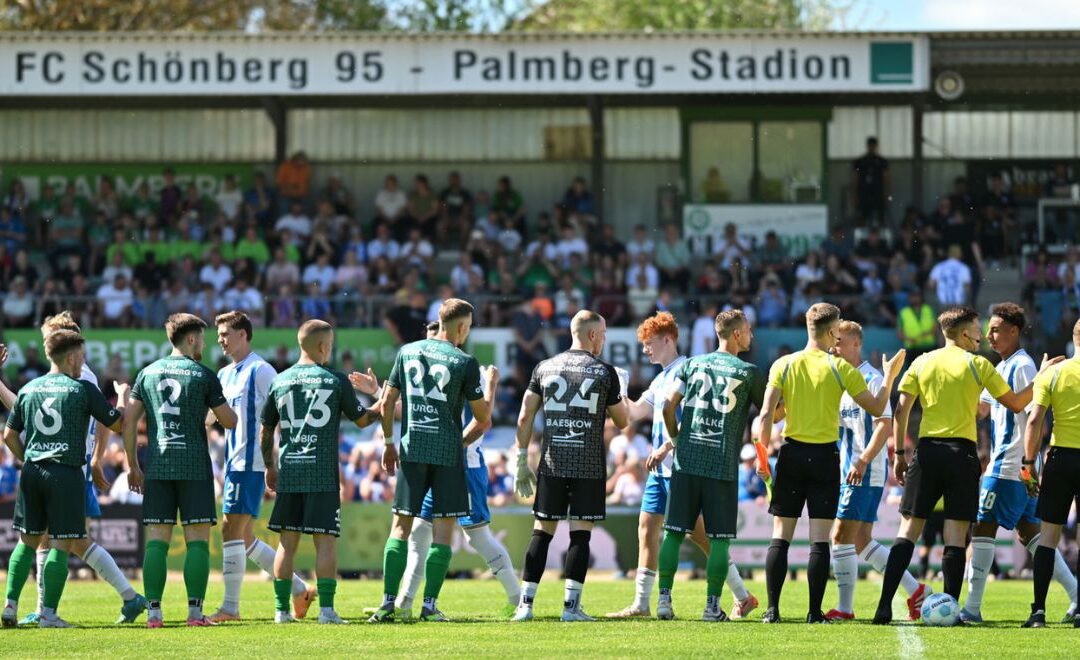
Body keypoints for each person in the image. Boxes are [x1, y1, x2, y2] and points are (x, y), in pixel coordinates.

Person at [873, 306, 1057, 625]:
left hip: (927, 452)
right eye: (975, 329)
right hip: (961, 454)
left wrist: (900, 454)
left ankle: (883, 607)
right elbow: (1016, 403)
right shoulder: (978, 365)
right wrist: (1041, 378)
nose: (980, 336)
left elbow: (901, 409)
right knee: (955, 537)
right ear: (961, 333)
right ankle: (951, 609)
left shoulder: (922, 362)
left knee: (908, 533)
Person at [753, 302, 904, 623]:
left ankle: (772, 610)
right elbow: (879, 408)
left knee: (780, 536)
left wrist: (762, 454)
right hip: (824, 458)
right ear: (832, 330)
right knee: (820, 540)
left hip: (790, 453)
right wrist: (889, 377)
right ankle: (813, 612)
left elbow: (766, 414)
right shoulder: (841, 368)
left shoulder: (785, 363)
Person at [606, 312, 758, 620]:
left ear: (668, 339)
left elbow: (695, 420)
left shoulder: (689, 369)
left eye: (649, 344)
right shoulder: (660, 379)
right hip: (660, 470)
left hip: (684, 466)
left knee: (699, 536)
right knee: (647, 528)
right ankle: (642, 602)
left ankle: (742, 596)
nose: (645, 350)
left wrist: (665, 446)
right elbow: (633, 413)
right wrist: (619, 389)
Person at [0, 312, 147, 626]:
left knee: (44, 540)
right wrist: (123, 400)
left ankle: (15, 608)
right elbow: (115, 421)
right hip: (67, 470)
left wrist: (92, 458)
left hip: (42, 470)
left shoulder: (39, 384)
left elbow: (11, 429)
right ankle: (49, 612)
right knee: (65, 541)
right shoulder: (80, 385)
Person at [382, 321, 518, 619]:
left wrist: (452, 444)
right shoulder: (426, 363)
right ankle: (405, 604)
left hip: (465, 464)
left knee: (476, 536)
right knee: (418, 533)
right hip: (436, 461)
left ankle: (516, 596)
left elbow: (482, 421)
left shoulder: (468, 369)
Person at [370, 299, 492, 623]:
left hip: (411, 449)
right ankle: (429, 606)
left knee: (400, 527)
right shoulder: (465, 362)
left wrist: (387, 443)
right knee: (442, 532)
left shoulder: (407, 351)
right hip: (446, 455)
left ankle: (386, 605)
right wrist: (460, 441)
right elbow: (483, 418)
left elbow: (386, 402)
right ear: (462, 327)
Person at [959, 303, 1077, 623]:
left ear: (1014, 331)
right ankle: (1077, 595)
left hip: (1011, 464)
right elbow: (981, 410)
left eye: (996, 329)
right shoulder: (999, 367)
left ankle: (971, 607)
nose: (989, 335)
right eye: (989, 329)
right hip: (1020, 466)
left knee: (983, 525)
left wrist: (1025, 464)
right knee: (1032, 534)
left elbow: (1033, 417)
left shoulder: (1023, 365)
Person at [510, 310, 629, 622]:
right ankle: (570, 608)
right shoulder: (605, 372)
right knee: (580, 536)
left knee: (542, 533)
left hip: (552, 463)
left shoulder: (544, 367)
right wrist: (623, 392)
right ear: (591, 335)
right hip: (587, 465)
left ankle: (525, 605)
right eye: (602, 333)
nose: (604, 339)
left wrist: (522, 459)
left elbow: (524, 417)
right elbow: (623, 421)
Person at [261, 319, 381, 624]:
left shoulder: (280, 380)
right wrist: (384, 401)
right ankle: (327, 611)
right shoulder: (335, 380)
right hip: (322, 472)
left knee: (286, 545)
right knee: (325, 542)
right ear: (322, 346)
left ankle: (280, 612)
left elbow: (266, 430)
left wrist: (269, 466)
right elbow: (364, 421)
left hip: (290, 470)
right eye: (331, 344)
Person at [122, 313, 239, 628]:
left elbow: (129, 420)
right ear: (191, 339)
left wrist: (132, 465)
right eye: (201, 337)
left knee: (156, 541)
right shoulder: (203, 374)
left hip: (158, 466)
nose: (204, 343)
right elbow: (229, 421)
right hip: (194, 465)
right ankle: (194, 613)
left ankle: (155, 614)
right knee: (197, 541)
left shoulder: (147, 373)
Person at [653, 310, 764, 622]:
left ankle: (664, 602)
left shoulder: (693, 364)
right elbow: (772, 413)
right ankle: (712, 607)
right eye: (749, 330)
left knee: (673, 533)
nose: (752, 336)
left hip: (686, 460)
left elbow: (668, 405)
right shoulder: (748, 371)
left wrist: (676, 439)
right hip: (721, 464)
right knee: (718, 540)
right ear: (737, 334)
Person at [207, 311, 317, 623]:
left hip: (251, 461)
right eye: (219, 335)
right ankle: (299, 588)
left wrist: (275, 461)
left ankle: (230, 607)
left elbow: (284, 413)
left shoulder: (261, 370)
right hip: (232, 461)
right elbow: (213, 417)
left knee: (231, 527)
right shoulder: (225, 374)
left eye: (226, 333)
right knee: (242, 535)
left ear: (243, 334)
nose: (221, 340)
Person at [825, 321, 929, 622]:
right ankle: (915, 590)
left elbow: (885, 425)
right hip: (852, 469)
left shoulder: (871, 379)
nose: (834, 346)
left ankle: (844, 608)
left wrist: (863, 460)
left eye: (840, 341)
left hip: (864, 470)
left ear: (856, 344)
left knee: (840, 536)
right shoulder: (842, 379)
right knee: (861, 541)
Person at [1022, 318, 1080, 628]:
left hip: (1060, 458)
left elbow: (1034, 421)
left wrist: (1028, 464)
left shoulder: (1054, 373)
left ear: (1074, 340)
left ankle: (1038, 612)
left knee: (1048, 538)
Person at [850, 136, 891, 226]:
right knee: (861, 217)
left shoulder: (882, 161)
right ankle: (861, 237)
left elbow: (886, 178)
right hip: (863, 193)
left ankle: (879, 237)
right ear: (867, 146)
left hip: (878, 193)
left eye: (873, 145)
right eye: (870, 145)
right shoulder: (860, 161)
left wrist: (887, 194)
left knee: (880, 217)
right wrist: (854, 195)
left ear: (876, 146)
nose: (871, 147)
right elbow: (855, 178)